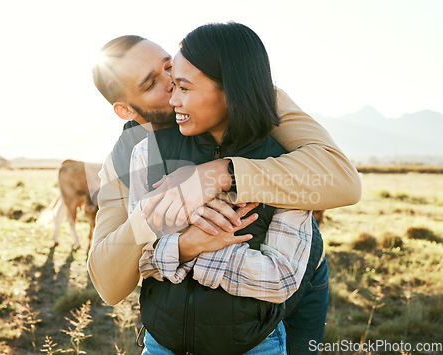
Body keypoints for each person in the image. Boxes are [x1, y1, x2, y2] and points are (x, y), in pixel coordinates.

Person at [88, 32, 361, 353]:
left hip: (290, 283)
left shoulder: (247, 96)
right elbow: (108, 283)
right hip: (180, 315)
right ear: (127, 111)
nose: (172, 82)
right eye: (151, 85)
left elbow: (343, 179)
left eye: (168, 66)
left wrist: (218, 174)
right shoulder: (130, 156)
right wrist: (154, 218)